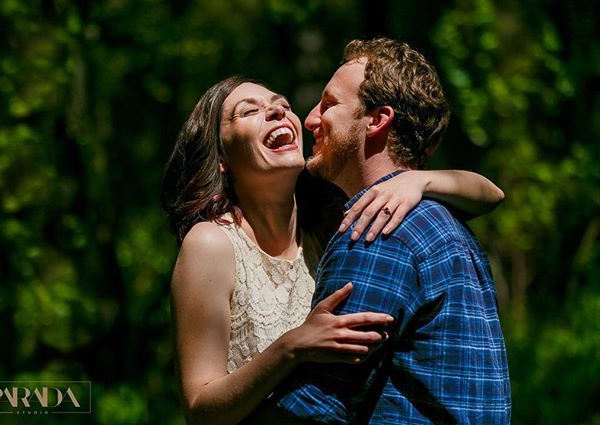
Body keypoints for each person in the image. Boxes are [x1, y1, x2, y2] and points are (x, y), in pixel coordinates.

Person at [162, 74, 505, 424]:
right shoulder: (210, 243)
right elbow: (199, 409)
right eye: (249, 111)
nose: (276, 113)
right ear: (221, 157)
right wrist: (290, 347)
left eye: (282, 106)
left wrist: (420, 180)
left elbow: (491, 195)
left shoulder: (329, 231)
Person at [251, 38, 512, 424]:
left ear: (377, 119)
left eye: (329, 104)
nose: (310, 119)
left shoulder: (377, 228)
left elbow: (317, 407)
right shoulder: (444, 222)